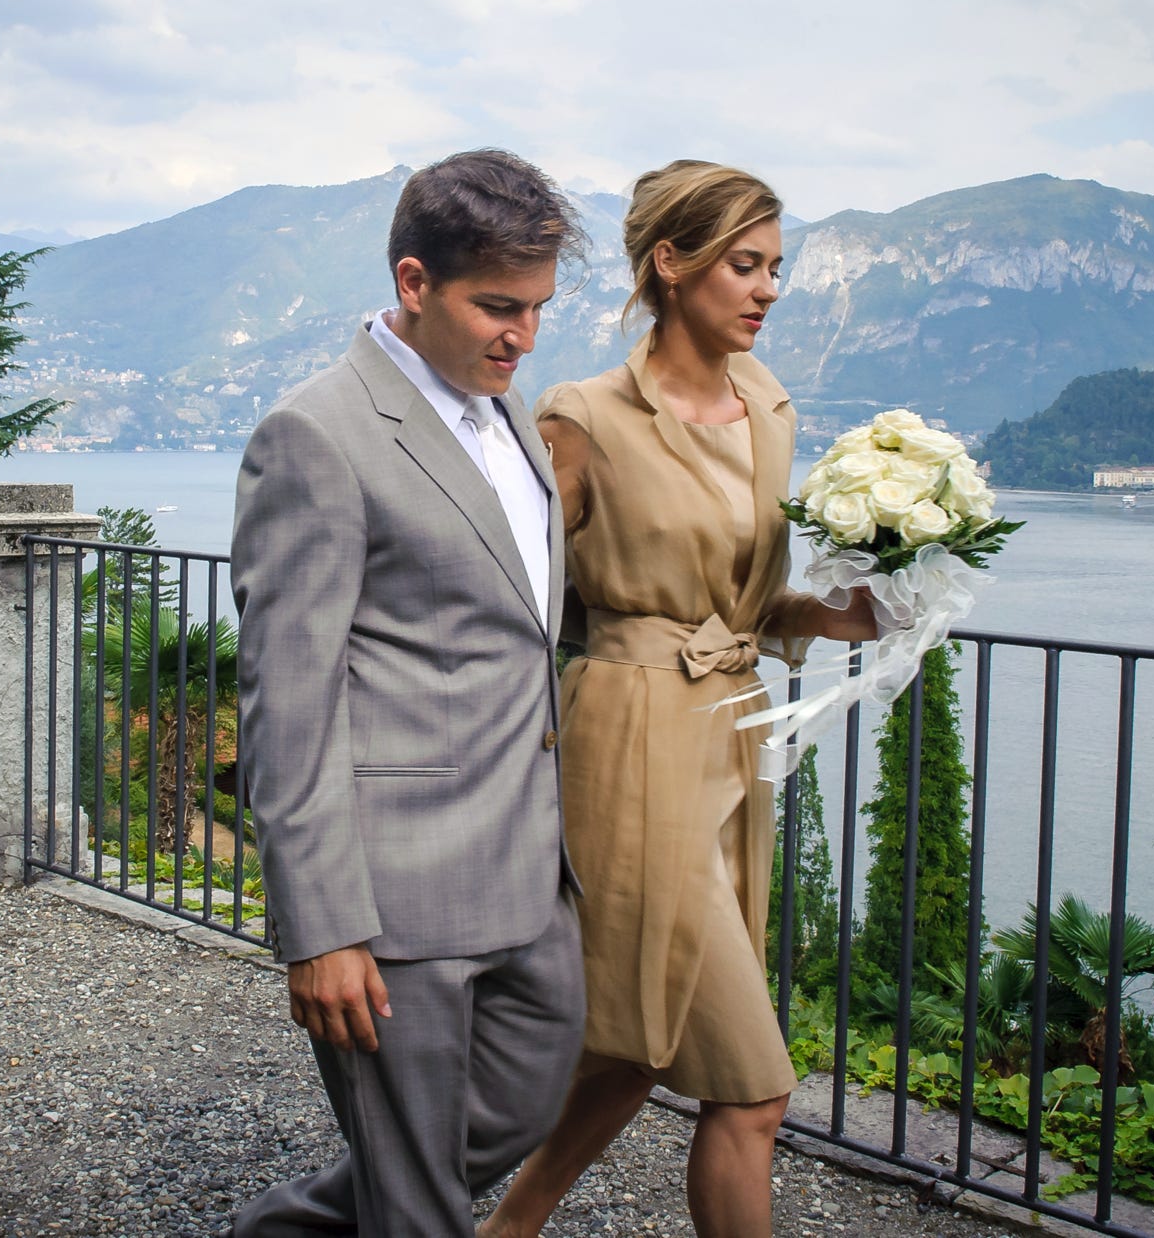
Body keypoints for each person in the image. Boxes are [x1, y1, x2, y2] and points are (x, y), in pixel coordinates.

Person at [481, 161, 878, 1238]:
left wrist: (829, 618)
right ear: (672, 263)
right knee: (749, 1083)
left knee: (648, 1030)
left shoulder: (766, 404)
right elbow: (507, 584)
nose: (767, 290)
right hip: (627, 735)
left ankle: (508, 1225)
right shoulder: (584, 416)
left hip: (730, 735)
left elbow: (743, 602)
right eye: (744, 265)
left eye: (774, 268)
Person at [230, 149, 590, 1237]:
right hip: (391, 895)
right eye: (495, 307)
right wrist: (320, 926)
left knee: (518, 1104)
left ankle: (287, 1231)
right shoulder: (316, 435)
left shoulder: (509, 415)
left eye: (535, 310)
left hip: (525, 872)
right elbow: (284, 703)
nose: (519, 337)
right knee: (422, 1201)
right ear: (413, 282)